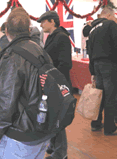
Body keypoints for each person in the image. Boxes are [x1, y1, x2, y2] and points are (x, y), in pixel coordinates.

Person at [0, 8, 53, 158]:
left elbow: (5, 101)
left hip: (19, 134)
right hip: (41, 127)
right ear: (28, 29)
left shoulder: (12, 56)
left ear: (6, 30)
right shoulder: (40, 51)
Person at [37, 10, 72, 159]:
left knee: (58, 119)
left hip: (58, 84)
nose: (41, 24)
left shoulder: (62, 37)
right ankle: (53, 145)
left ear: (52, 21)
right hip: (52, 83)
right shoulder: (52, 37)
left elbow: (65, 64)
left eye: (43, 21)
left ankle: (61, 152)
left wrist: (54, 78)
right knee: (51, 117)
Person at [87, 6, 117, 136]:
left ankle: (96, 123)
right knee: (110, 96)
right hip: (109, 65)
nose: (115, 19)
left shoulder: (92, 29)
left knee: (100, 95)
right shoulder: (110, 25)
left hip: (96, 65)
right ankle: (110, 127)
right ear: (108, 15)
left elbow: (89, 51)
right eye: (114, 17)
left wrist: (92, 71)